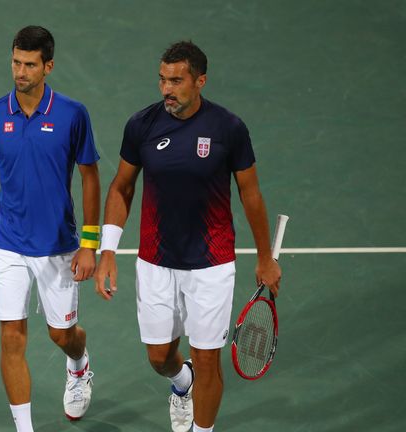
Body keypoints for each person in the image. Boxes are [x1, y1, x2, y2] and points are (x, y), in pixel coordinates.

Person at [94, 41, 281, 432]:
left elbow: (250, 194)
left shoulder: (228, 129)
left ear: (200, 81)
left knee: (209, 358)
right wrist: (107, 250)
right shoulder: (142, 125)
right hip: (155, 261)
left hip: (211, 264)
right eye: (162, 79)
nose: (166, 89)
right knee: (160, 356)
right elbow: (121, 187)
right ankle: (183, 383)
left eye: (176, 81)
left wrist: (265, 257)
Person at [0, 25, 101, 432]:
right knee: (12, 338)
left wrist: (90, 244)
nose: (20, 71)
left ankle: (78, 366)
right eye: (15, 62)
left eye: (29, 64)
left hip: (58, 245)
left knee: (62, 335)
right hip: (7, 243)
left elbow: (90, 177)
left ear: (48, 66)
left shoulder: (72, 115)